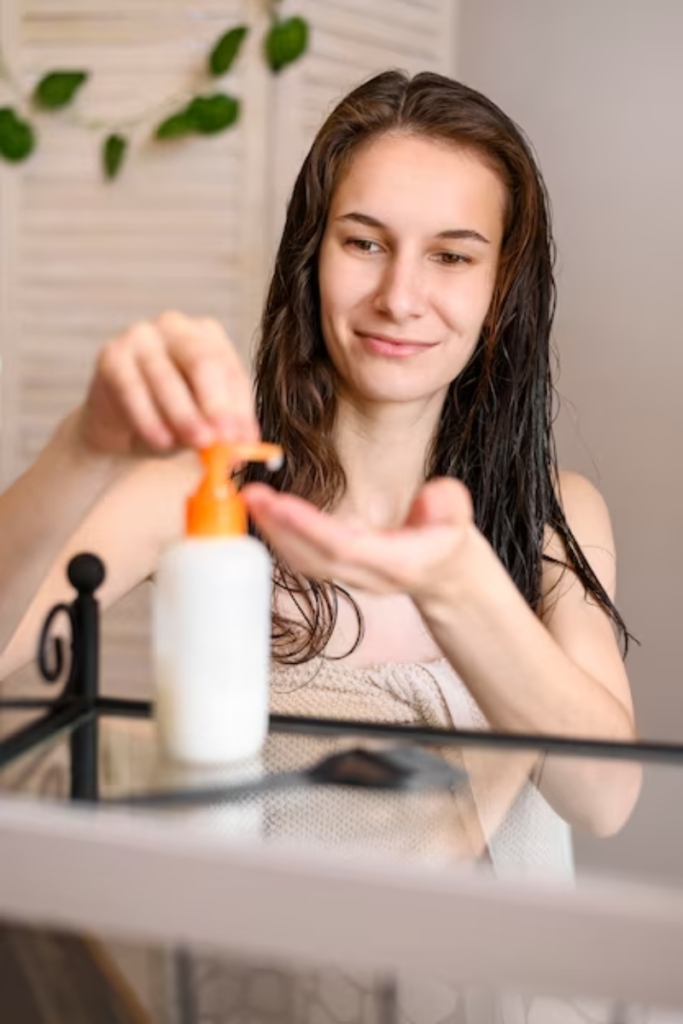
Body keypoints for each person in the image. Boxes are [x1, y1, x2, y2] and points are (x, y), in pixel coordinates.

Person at [0, 68, 643, 1022]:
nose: (399, 295)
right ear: (312, 252)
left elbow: (601, 799)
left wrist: (464, 590)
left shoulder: (553, 516)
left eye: (452, 257)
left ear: (503, 283)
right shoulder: (208, 487)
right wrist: (82, 449)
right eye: (364, 243)